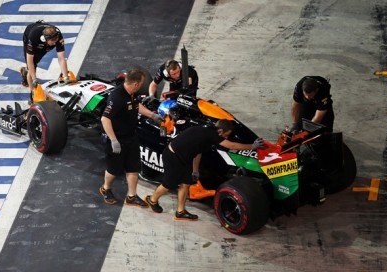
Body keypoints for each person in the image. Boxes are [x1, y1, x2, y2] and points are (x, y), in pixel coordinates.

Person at [144, 119, 264, 221]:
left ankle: (180, 212)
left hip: (184, 158)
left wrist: (195, 171)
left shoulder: (207, 132)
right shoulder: (211, 134)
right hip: (172, 156)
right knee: (169, 184)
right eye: (226, 135)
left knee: (186, 183)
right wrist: (252, 146)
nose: (226, 138)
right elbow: (231, 146)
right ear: (220, 131)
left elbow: (198, 152)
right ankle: (152, 199)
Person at [99, 68, 164, 206]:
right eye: (141, 83)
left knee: (133, 167)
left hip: (131, 137)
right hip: (117, 139)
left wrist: (152, 115)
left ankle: (131, 196)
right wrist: (113, 140)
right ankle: (106, 188)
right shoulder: (117, 97)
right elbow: (105, 119)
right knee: (113, 170)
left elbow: (136, 105)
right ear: (135, 84)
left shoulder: (133, 93)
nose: (142, 85)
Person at [20, 20, 69, 104]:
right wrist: (35, 79)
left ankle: (26, 72)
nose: (55, 43)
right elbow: (30, 61)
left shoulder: (58, 36)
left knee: (36, 62)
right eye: (52, 41)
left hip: (43, 44)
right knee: (32, 68)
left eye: (55, 40)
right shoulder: (33, 37)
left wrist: (66, 78)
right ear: (45, 39)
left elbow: (61, 58)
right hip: (29, 36)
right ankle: (32, 93)